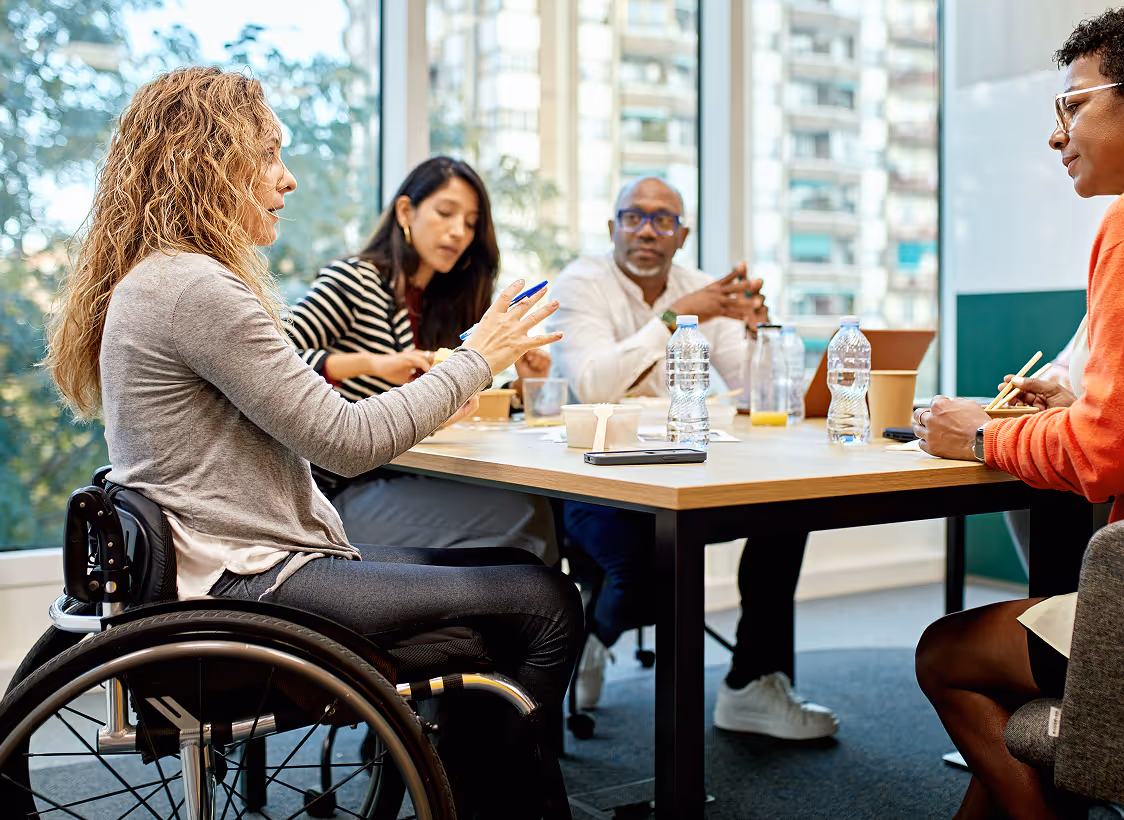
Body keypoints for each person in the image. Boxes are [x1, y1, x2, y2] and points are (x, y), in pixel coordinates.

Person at [43, 66, 583, 819]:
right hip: (249, 582)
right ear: (208, 159)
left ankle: (468, 787)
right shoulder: (196, 289)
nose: (287, 179)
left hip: (226, 568)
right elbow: (347, 445)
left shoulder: (158, 280)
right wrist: (478, 357)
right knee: (543, 598)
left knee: (506, 574)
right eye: (269, 155)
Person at [914, 0, 1124, 819]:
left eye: (1072, 105)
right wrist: (1083, 402)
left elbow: (1109, 457)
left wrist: (984, 436)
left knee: (944, 652)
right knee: (1012, 739)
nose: (1055, 133)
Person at [549, 175, 839, 740]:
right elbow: (590, 384)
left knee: (788, 508)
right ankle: (591, 639)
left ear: (682, 235)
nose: (647, 230)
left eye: (663, 220)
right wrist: (676, 317)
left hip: (692, 468)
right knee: (645, 576)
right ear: (612, 227)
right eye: (634, 217)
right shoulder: (582, 283)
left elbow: (758, 399)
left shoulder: (704, 287)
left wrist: (758, 336)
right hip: (598, 479)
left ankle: (751, 685)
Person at [285, 157, 556, 562]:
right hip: (327, 492)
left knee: (532, 507)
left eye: (470, 223)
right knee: (525, 518)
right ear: (406, 211)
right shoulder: (355, 280)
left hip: (403, 475)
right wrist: (372, 364)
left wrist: (521, 382)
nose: (458, 232)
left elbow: (467, 402)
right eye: (446, 213)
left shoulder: (449, 303)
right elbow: (275, 360)